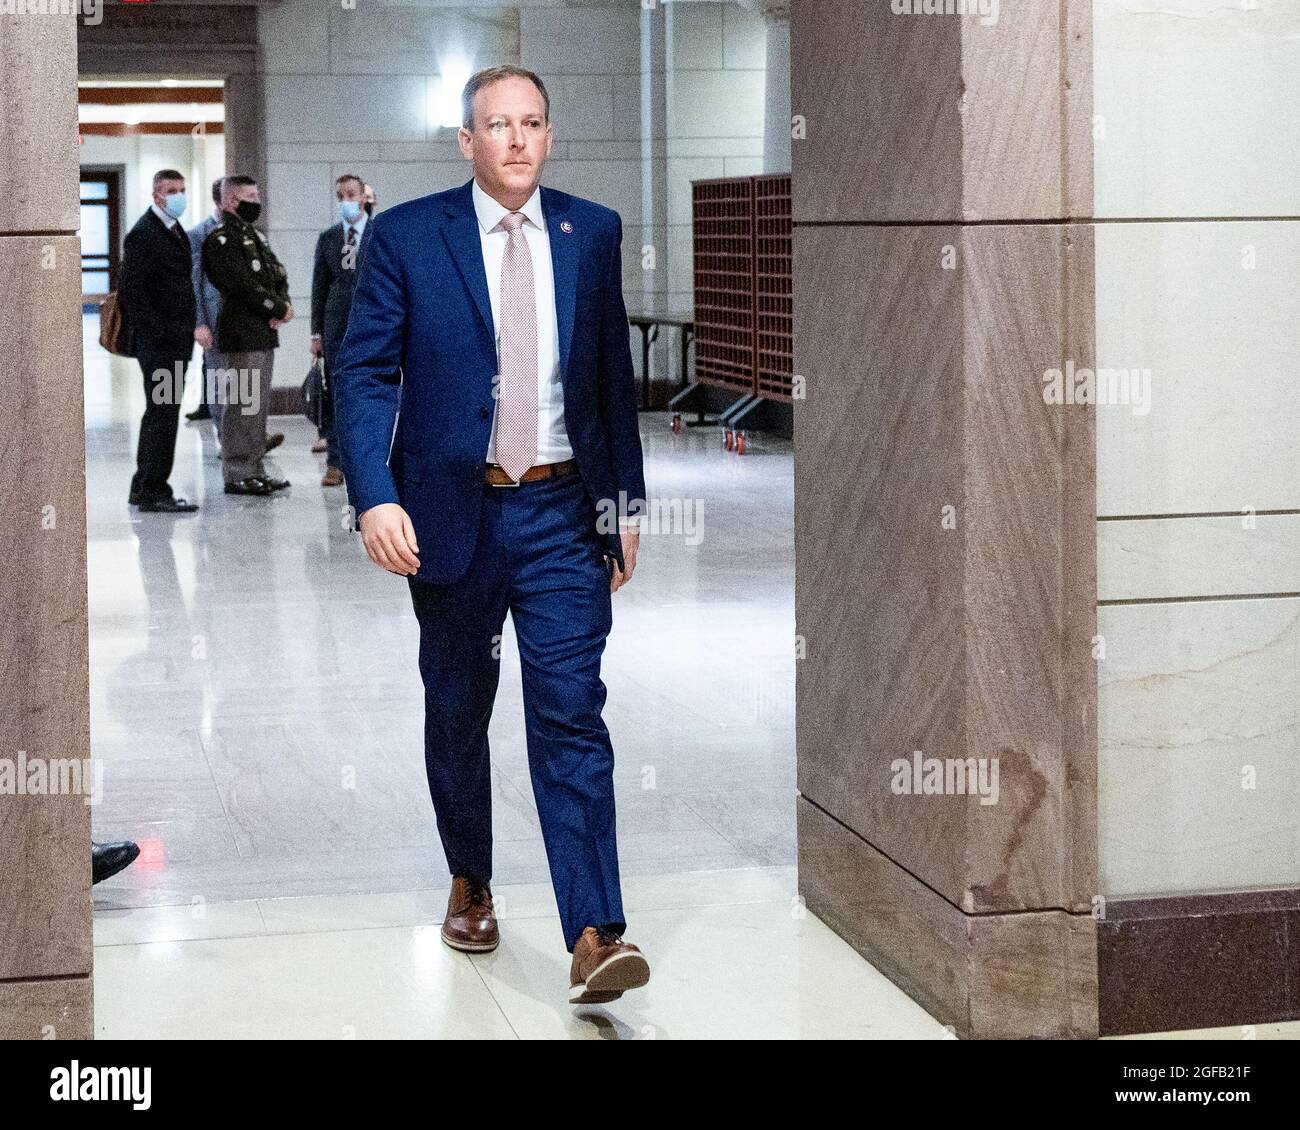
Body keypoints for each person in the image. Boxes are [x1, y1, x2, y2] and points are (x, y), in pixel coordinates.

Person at [335, 65, 650, 1005]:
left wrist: (622, 503)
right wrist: (374, 495)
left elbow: (608, 381)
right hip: (449, 516)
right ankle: (470, 874)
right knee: (458, 707)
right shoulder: (406, 237)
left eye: (533, 123)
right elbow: (362, 376)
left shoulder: (590, 233)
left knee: (569, 713)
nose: (516, 140)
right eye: (496, 126)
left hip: (561, 513)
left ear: (549, 137)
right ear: (467, 142)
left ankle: (596, 933)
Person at [202, 175, 292, 497]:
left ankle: (256, 468)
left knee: (258, 406)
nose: (256, 201)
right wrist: (275, 306)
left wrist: (282, 305)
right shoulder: (221, 240)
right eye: (249, 196)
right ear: (230, 202)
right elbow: (240, 285)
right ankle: (237, 471)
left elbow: (276, 273)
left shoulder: (255, 237)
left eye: (257, 194)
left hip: (262, 331)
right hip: (241, 331)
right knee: (242, 405)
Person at [119, 168, 200, 513]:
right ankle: (154, 489)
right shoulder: (144, 234)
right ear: (156, 196)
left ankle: (143, 484)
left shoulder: (172, 228)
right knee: (162, 414)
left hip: (174, 342)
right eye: (171, 190)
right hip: (161, 346)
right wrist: (161, 334)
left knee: (161, 412)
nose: (178, 196)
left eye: (181, 189)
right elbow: (131, 293)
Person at [310, 173, 372, 487]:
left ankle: (370, 461)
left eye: (351, 195)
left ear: (363, 197)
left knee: (370, 391)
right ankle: (336, 461)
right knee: (336, 392)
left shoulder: (378, 233)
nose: (346, 201)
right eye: (340, 196)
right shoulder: (329, 238)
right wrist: (315, 334)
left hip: (372, 322)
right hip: (336, 323)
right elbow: (319, 287)